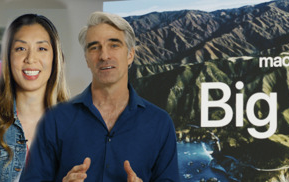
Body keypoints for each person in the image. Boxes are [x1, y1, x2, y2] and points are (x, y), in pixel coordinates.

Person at [20, 11, 179, 182]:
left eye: (114, 45)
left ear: (130, 55)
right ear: (87, 59)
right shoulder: (55, 119)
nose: (104, 56)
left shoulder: (160, 123)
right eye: (94, 47)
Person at [0, 14, 69, 181]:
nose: (31, 59)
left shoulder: (78, 125)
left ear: (55, 58)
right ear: (8, 58)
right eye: (20, 49)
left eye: (42, 48)